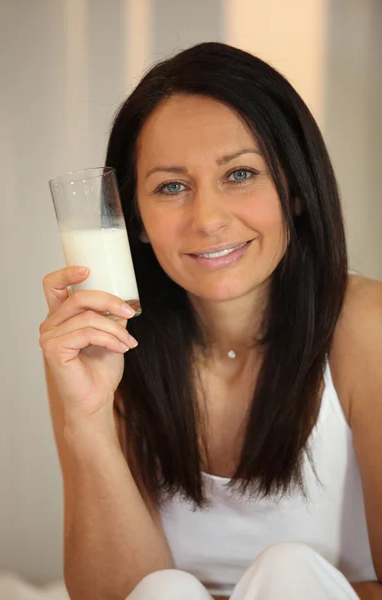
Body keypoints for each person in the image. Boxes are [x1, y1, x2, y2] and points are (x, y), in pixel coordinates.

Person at [39, 42, 382, 600]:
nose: (208, 219)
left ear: (294, 189)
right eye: (171, 186)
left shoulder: (368, 326)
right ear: (137, 220)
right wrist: (87, 419)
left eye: (240, 174)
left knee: (289, 572)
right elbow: (116, 595)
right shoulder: (99, 346)